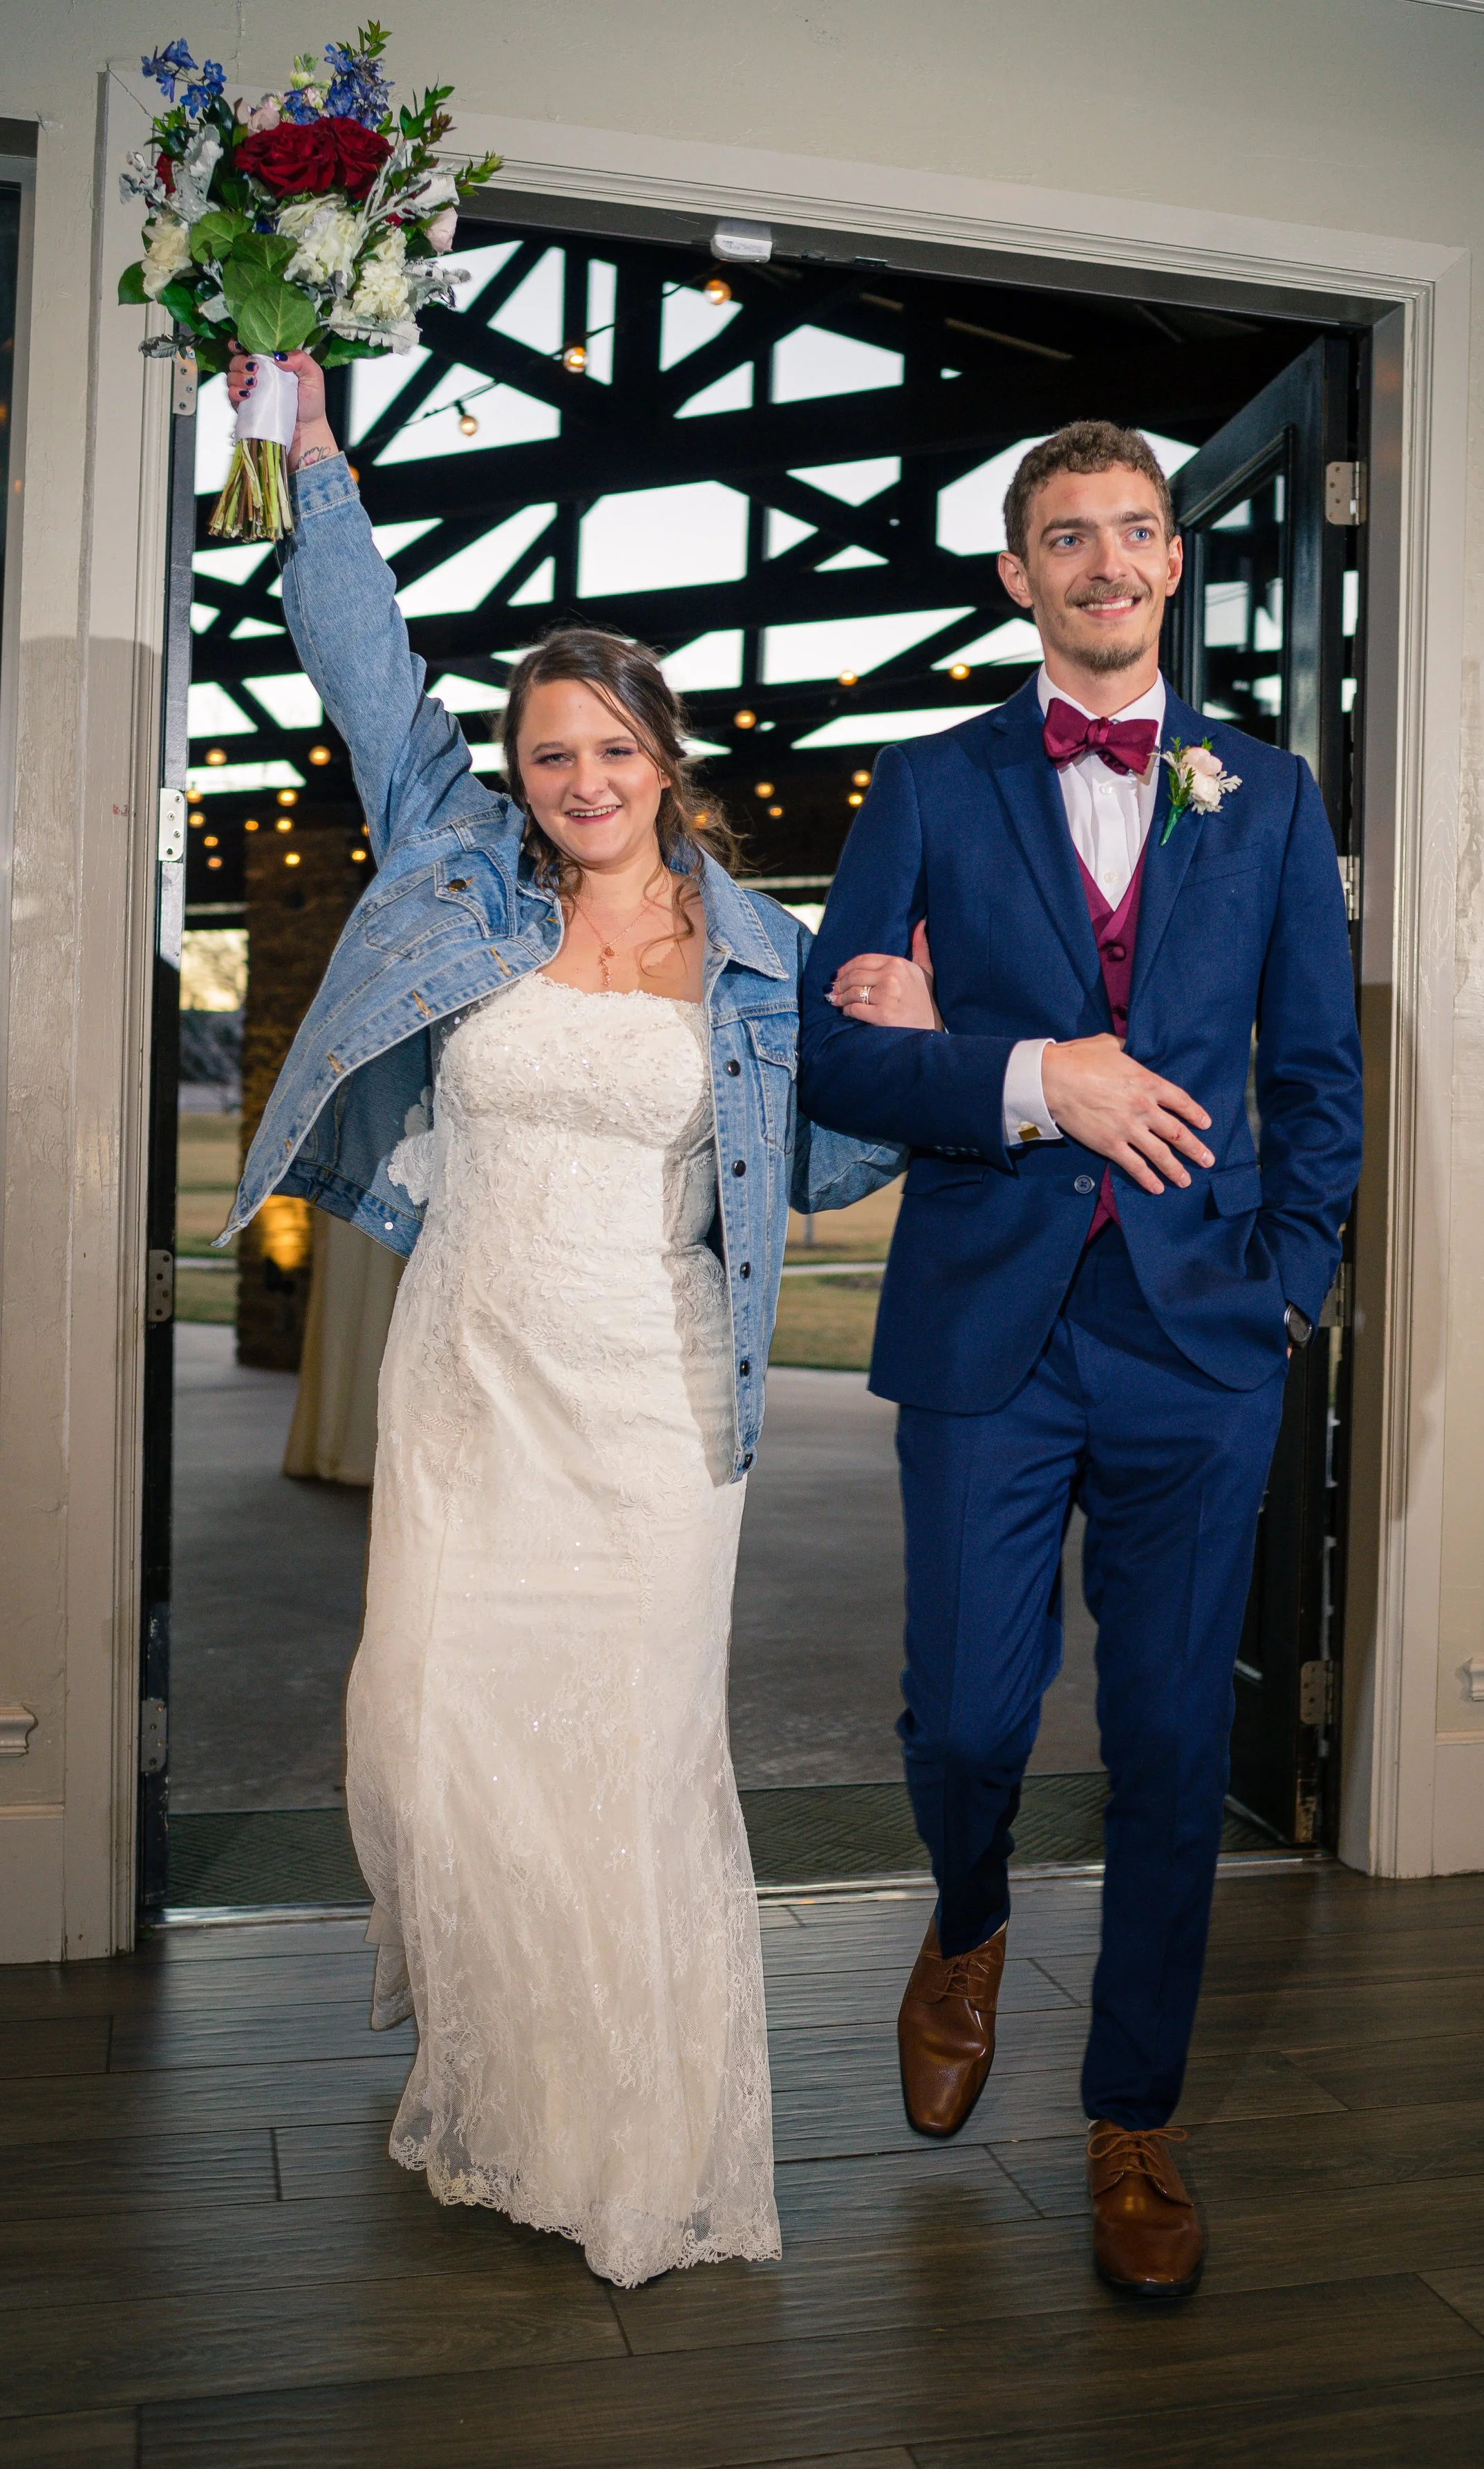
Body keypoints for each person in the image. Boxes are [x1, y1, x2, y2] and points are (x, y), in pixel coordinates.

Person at [218, 349, 910, 2289]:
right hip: (468, 1380)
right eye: (549, 756)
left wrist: (914, 1050)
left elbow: (823, 1165)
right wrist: (315, 458)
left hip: (656, 1407)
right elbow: (367, 665)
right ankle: (510, 2082)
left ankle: (628, 2139)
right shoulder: (465, 873)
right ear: (514, 775)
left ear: (666, 761)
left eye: (613, 749)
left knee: (625, 1757)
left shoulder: (760, 955)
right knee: (434, 1739)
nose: (583, 782)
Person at [800, 420, 1362, 2300]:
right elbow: (837, 1055)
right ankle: (965, 1916)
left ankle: (1133, 2119)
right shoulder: (930, 782)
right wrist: (1039, 1078)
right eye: (1067, 536)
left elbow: (1317, 1075)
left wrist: (1287, 1289)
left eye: (1135, 531)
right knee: (968, 1716)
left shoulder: (1265, 795)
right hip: (989, 1323)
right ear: (1016, 576)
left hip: (1203, 1340)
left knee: (1171, 1744)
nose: (1106, 562)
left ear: (1173, 564)